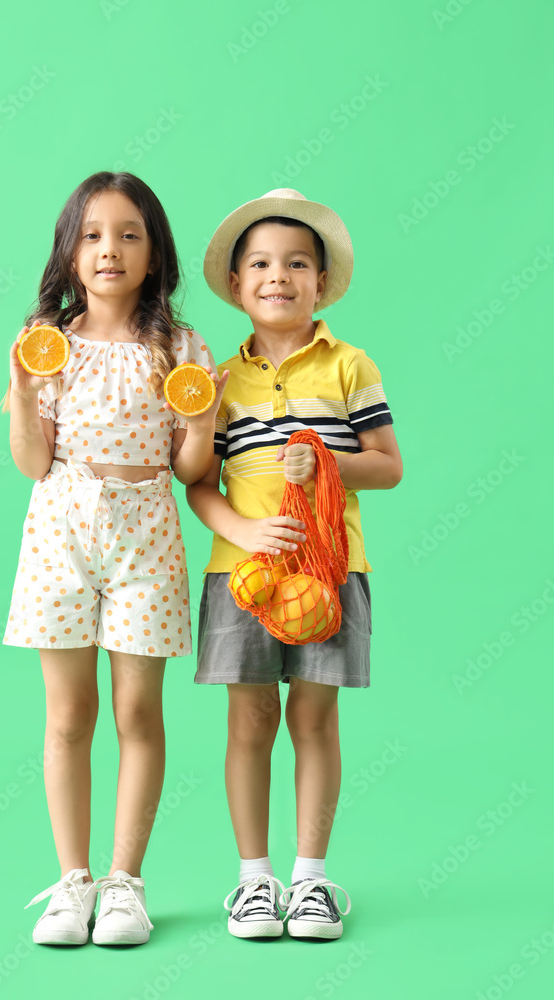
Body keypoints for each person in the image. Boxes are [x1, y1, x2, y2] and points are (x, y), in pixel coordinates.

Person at [2, 171, 227, 947]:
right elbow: (32, 462)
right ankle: (72, 882)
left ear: (155, 253)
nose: (110, 249)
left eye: (129, 234)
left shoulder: (181, 347)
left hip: (145, 537)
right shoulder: (48, 343)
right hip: (60, 531)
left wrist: (205, 418)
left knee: (137, 712)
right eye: (93, 235)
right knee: (67, 716)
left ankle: (125, 884)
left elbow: (191, 469)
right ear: (69, 253)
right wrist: (23, 383)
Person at [187, 188, 403, 940]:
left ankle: (310, 881)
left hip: (330, 571)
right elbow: (197, 486)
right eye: (260, 264)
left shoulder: (349, 364)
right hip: (239, 577)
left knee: (313, 717)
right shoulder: (219, 380)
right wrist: (244, 531)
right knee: (248, 719)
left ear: (319, 282)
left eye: (296, 263)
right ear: (239, 285)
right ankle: (253, 882)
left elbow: (388, 465)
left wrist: (324, 459)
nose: (277, 275)